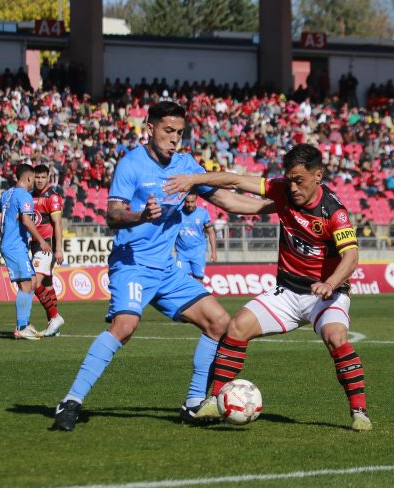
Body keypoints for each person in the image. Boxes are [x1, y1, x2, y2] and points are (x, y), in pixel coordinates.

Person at [53, 101, 272, 432]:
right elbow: (112, 215)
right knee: (125, 327)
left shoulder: (186, 166)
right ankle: (71, 401)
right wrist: (140, 215)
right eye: (168, 131)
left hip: (168, 270)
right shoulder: (131, 165)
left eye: (180, 132)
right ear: (150, 129)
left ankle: (195, 404)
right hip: (132, 264)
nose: (175, 138)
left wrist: (273, 206)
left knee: (219, 322)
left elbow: (227, 200)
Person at [163, 144, 372, 431]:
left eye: (299, 180)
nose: (294, 187)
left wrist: (330, 283)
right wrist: (194, 179)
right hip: (286, 292)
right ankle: (215, 399)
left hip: (326, 295)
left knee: (336, 337)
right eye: (290, 179)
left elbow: (351, 256)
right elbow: (236, 180)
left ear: (318, 176)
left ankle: (359, 413)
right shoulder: (281, 189)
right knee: (236, 327)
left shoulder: (335, 212)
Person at [0, 164, 52, 340]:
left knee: (31, 282)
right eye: (34, 178)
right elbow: (25, 219)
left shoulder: (7, 194)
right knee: (26, 285)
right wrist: (41, 240)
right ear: (29, 178)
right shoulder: (24, 195)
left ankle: (24, 324)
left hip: (12, 245)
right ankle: (21, 327)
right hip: (15, 246)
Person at [31, 164, 66, 337]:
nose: (39, 180)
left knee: (34, 283)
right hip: (34, 246)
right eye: (37, 177)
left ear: (48, 177)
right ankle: (53, 326)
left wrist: (58, 249)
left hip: (46, 246)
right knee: (47, 284)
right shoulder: (30, 196)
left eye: (43, 177)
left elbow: (58, 223)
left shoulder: (52, 197)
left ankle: (55, 317)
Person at [175, 194, 217, 280]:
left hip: (198, 253)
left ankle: (198, 293)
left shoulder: (203, 213)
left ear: (196, 201)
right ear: (184, 201)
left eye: (192, 202)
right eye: (187, 202)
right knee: (181, 280)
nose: (189, 204)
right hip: (182, 253)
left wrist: (214, 252)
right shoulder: (177, 213)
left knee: (198, 279)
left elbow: (211, 232)